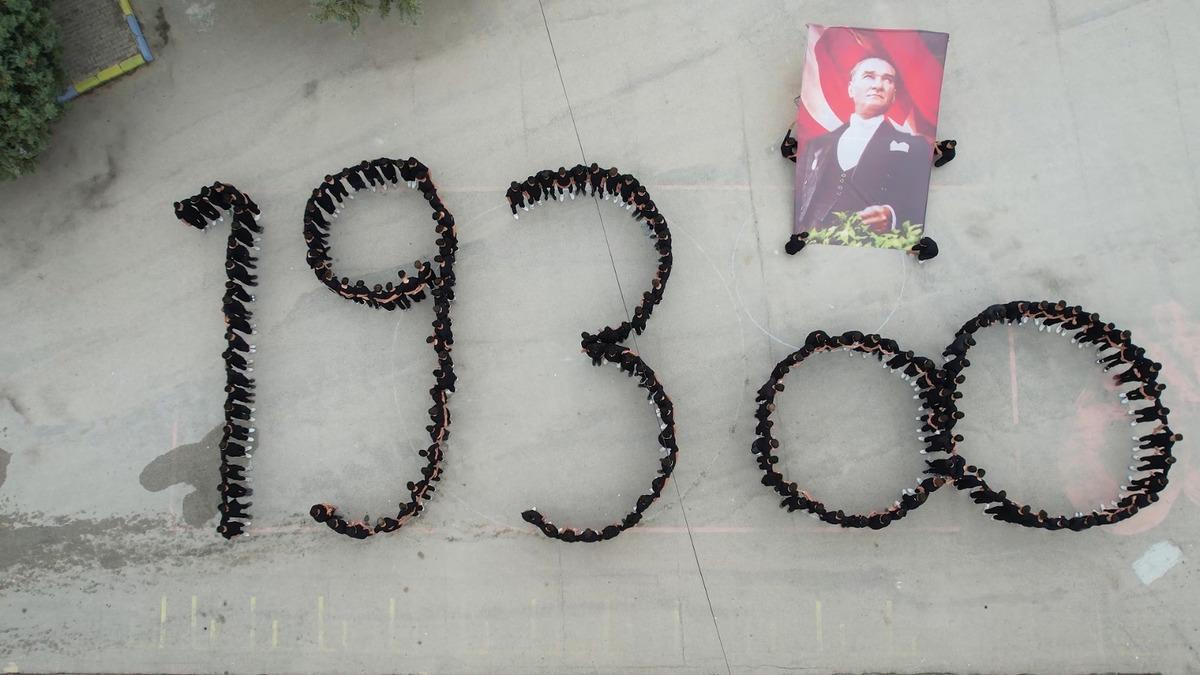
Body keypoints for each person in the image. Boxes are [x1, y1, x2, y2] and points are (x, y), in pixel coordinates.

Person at [793, 56, 933, 236]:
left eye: (887, 80)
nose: (878, 85)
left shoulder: (915, 147)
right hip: (812, 239)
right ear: (851, 89)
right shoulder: (817, 145)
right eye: (869, 76)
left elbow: (920, 201)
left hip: (868, 243)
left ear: (893, 95)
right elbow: (799, 197)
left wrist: (891, 215)